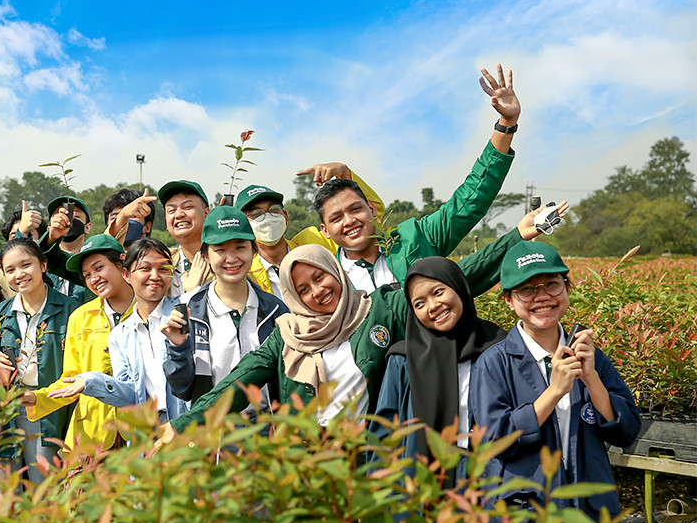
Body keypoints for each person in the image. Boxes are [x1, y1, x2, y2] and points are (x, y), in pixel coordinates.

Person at [165, 213, 544, 437]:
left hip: (369, 453)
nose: (317, 291)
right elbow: (237, 383)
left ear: (335, 271)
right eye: (302, 289)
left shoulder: (378, 309)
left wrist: (515, 237)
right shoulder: (288, 335)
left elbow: (447, 283)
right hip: (309, 460)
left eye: (320, 277)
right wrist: (180, 428)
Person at [470, 240, 641, 523]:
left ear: (566, 288)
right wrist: (555, 390)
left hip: (588, 516)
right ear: (509, 300)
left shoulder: (591, 356)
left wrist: (592, 380)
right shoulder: (493, 364)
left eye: (552, 284)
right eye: (527, 290)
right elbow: (495, 441)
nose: (543, 297)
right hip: (526, 521)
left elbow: (627, 431)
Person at [372, 205, 561, 483]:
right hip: (420, 489)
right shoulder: (403, 359)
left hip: (491, 479)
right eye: (419, 303)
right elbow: (384, 436)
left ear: (459, 287)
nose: (433, 306)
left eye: (439, 292)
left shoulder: (499, 347)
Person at [314, 63, 521, 294]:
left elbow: (470, 200)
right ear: (325, 230)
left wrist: (506, 124)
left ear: (372, 209)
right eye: (336, 218)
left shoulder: (414, 239)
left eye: (355, 209)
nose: (349, 220)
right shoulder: (330, 279)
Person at [45, 237, 190, 427]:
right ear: (127, 274)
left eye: (163, 269)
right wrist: (90, 382)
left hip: (190, 422)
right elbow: (131, 393)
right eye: (145, 269)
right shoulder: (120, 334)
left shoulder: (184, 313)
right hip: (149, 427)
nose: (154, 276)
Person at [0, 239, 81, 481]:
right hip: (4, 412)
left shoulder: (71, 310)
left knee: (44, 489)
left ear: (43, 265)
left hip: (49, 411)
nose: (19, 274)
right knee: (2, 492)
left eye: (26, 265)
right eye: (10, 270)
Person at [162, 207, 287, 410]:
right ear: (205, 255)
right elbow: (182, 389)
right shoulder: (189, 310)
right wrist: (178, 348)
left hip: (268, 431)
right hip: (213, 432)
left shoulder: (274, 309)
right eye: (220, 250)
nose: (231, 258)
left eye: (240, 247)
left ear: (253, 250)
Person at [24, 234, 136, 454]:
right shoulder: (80, 317)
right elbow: (72, 379)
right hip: (93, 433)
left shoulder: (148, 308)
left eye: (99, 268)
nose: (94, 278)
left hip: (140, 427)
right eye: (87, 275)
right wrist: (37, 397)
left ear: (122, 262)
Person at [233, 167, 379, 300]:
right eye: (257, 214)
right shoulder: (244, 270)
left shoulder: (313, 241)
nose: (268, 217)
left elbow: (372, 217)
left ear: (285, 216)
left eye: (273, 210)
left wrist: (346, 175)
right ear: (244, 225)